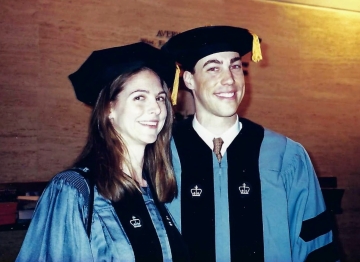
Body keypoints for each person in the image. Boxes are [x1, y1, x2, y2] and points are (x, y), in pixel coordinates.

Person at [161, 26, 338, 262]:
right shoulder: (159, 154)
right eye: (213, 68)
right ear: (189, 80)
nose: (229, 79)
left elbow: (316, 247)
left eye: (235, 66)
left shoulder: (285, 156)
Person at [16, 42, 189, 262]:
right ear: (109, 109)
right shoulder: (74, 191)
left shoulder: (156, 187)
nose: (156, 108)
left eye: (160, 98)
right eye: (139, 97)